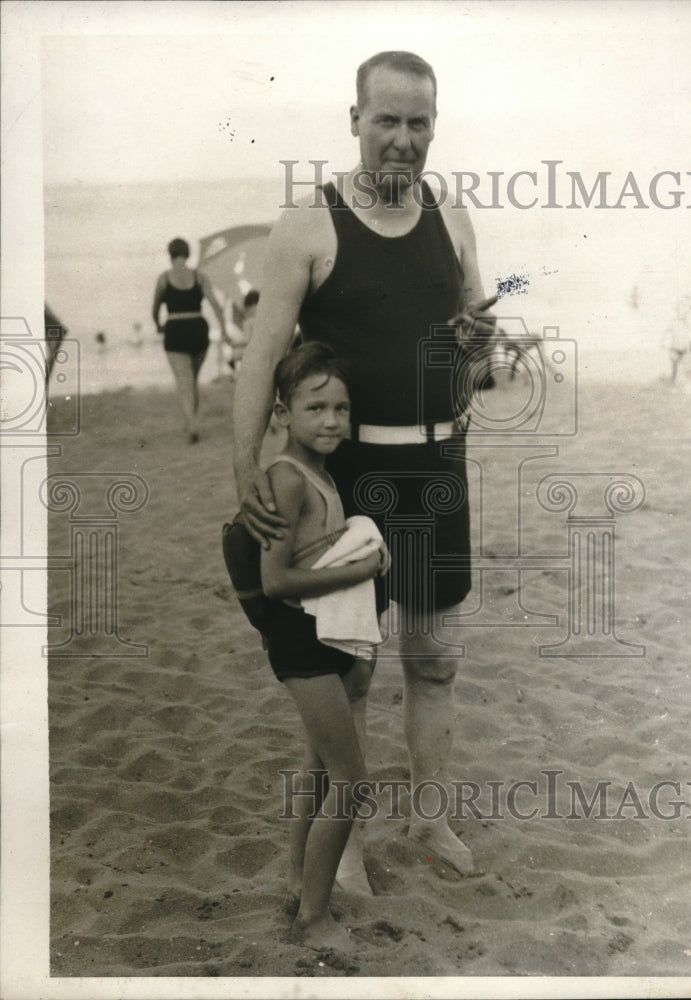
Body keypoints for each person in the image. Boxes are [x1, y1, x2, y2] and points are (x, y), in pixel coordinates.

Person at [233, 50, 496, 881]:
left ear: (433, 126)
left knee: (435, 660)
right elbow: (261, 355)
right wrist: (244, 468)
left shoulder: (452, 216)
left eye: (419, 123)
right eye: (386, 120)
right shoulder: (308, 225)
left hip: (438, 469)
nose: (402, 140)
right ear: (355, 120)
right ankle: (344, 845)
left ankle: (431, 823)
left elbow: (476, 352)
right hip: (345, 482)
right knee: (350, 672)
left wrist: (481, 346)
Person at [259, 341, 389, 951]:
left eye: (341, 408)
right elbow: (275, 580)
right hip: (302, 642)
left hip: (323, 634)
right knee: (352, 778)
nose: (332, 420)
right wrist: (362, 569)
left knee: (318, 767)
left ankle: (296, 882)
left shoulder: (321, 473)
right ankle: (313, 918)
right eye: (315, 408)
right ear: (282, 413)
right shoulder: (288, 478)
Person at [152, 237, 230, 443]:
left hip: (175, 329)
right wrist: (224, 331)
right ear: (187, 254)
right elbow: (216, 305)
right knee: (192, 380)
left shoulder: (164, 278)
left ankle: (192, 425)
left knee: (184, 382)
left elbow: (155, 308)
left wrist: (158, 325)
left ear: (170, 254)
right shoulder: (199, 276)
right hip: (198, 329)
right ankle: (190, 422)